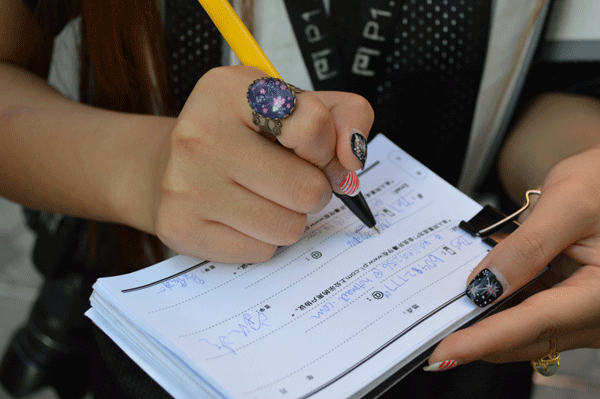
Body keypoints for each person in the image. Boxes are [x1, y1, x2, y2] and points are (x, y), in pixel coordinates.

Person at [1, 0, 599, 398]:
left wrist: (577, 181)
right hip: (175, 352)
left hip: (459, 333)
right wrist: (143, 167)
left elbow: (561, 88)